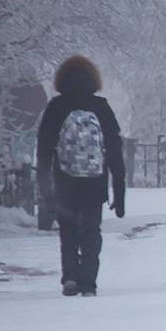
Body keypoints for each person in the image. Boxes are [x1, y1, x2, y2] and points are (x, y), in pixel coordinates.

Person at [37, 56, 126, 297]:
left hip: (65, 180)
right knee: (91, 230)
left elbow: (43, 149)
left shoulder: (56, 107)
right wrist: (119, 191)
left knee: (67, 230)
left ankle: (70, 277)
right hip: (94, 182)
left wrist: (45, 191)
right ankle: (89, 283)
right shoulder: (101, 106)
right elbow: (115, 149)